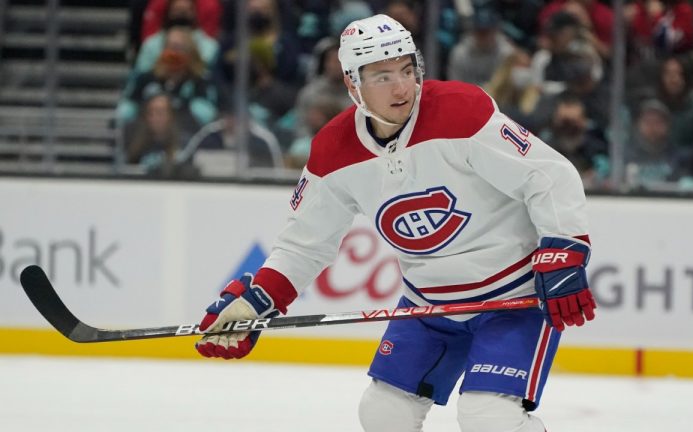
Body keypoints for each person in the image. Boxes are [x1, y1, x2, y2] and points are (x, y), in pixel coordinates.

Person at [194, 14, 596, 432]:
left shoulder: (461, 111)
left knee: (488, 419)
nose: (403, 86)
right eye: (383, 76)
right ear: (353, 84)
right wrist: (259, 299)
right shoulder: (334, 150)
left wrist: (564, 248)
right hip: (426, 303)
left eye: (407, 69)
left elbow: (550, 174)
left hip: (512, 297)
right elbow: (303, 244)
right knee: (383, 414)